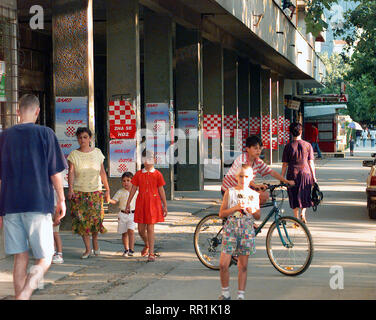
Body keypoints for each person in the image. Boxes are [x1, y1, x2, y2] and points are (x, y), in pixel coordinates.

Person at [0, 94, 67, 300]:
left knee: (20, 258)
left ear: (18, 111)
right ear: (37, 111)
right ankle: (25, 294)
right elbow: (55, 173)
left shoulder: (4, 137)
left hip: (10, 205)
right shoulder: (46, 134)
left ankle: (21, 296)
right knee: (46, 258)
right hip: (38, 204)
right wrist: (61, 199)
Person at [218, 164, 260, 300]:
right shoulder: (230, 192)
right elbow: (221, 213)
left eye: (246, 176)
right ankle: (225, 293)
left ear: (251, 178)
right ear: (236, 177)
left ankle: (241, 295)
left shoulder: (254, 195)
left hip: (246, 232)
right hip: (230, 231)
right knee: (223, 264)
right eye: (240, 176)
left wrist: (253, 210)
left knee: (243, 265)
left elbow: (258, 215)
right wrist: (235, 208)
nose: (243, 179)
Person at [67, 127, 110, 259]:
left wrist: (107, 189)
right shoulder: (73, 155)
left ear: (90, 138)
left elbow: (102, 172)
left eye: (85, 137)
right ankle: (87, 249)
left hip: (95, 192)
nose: (82, 140)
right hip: (80, 192)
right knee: (82, 222)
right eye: (80, 137)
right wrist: (70, 189)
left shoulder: (97, 153)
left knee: (95, 220)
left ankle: (95, 244)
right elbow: (71, 173)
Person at [221, 135, 295, 204]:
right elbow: (243, 177)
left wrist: (286, 181)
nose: (258, 151)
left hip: (243, 188)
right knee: (258, 199)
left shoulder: (257, 161)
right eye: (255, 148)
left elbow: (271, 172)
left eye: (260, 148)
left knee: (264, 196)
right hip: (229, 190)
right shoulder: (242, 160)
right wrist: (256, 186)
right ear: (247, 149)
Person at [125, 150, 168, 262]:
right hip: (141, 203)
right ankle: (147, 244)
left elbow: (161, 190)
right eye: (145, 159)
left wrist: (165, 205)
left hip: (153, 203)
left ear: (154, 160)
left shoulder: (158, 174)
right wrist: (128, 203)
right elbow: (133, 188)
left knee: (150, 227)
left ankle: (152, 253)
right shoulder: (139, 174)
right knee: (140, 230)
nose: (147, 162)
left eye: (150, 159)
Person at [281, 122, 317, 224]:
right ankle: (303, 213)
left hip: (292, 174)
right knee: (305, 194)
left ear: (291, 133)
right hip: (306, 173)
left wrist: (282, 178)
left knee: (294, 195)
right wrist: (314, 177)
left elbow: (284, 164)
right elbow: (311, 162)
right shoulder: (308, 145)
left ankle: (296, 219)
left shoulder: (288, 146)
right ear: (301, 131)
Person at [109, 172, 138, 257]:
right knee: (124, 233)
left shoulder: (136, 191)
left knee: (131, 231)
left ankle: (131, 250)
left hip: (132, 214)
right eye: (124, 181)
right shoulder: (120, 192)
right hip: (122, 214)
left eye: (128, 180)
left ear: (132, 181)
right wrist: (108, 199)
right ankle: (126, 249)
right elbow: (114, 201)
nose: (126, 183)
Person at [52, 190, 64, 264]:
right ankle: (52, 252)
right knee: (49, 233)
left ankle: (59, 254)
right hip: (47, 209)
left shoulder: (55, 188)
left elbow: (58, 201)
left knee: (55, 233)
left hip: (55, 209)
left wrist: (57, 216)